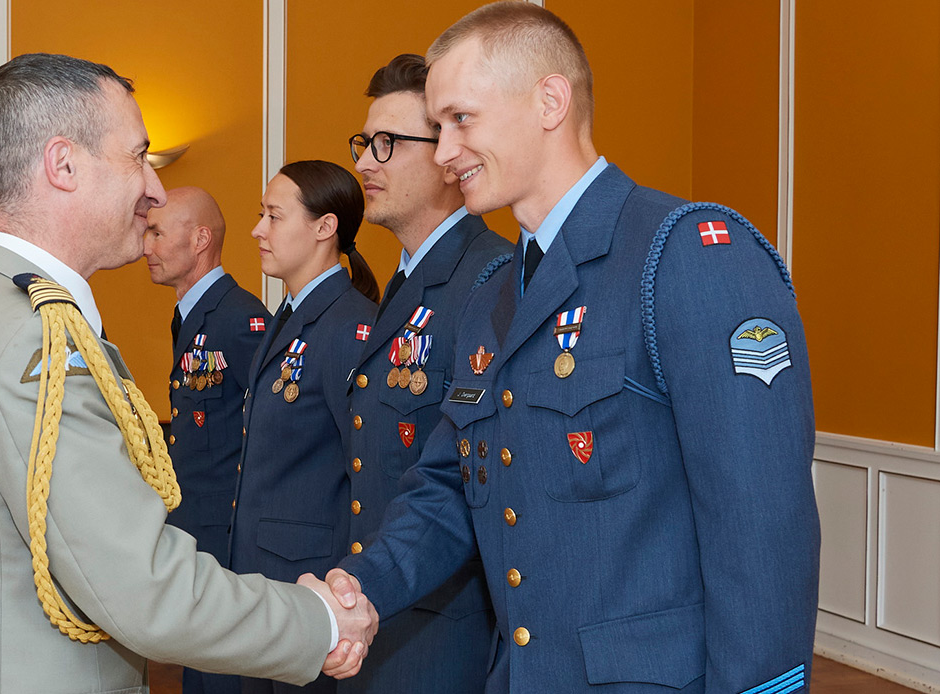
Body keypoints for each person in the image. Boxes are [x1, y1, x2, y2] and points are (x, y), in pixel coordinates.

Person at [328, 4, 820, 693]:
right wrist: (360, 588)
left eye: (460, 121)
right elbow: (447, 485)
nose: (443, 153)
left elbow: (762, 532)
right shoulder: (497, 290)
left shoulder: (684, 254)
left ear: (549, 101)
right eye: (437, 130)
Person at [0, 53, 375, 694]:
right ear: (63, 165)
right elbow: (142, 589)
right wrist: (319, 623)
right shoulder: (36, 341)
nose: (154, 189)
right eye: (138, 157)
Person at [340, 53, 510, 694]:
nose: (364, 163)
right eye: (363, 143)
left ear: (448, 155)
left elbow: (471, 477)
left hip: (443, 625)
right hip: (388, 601)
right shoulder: (410, 280)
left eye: (388, 144)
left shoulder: (489, 277)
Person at [228, 160, 379, 694]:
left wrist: (350, 589)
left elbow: (364, 470)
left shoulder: (349, 325)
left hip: (311, 586)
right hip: (265, 581)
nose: (258, 230)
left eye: (273, 215)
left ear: (324, 227)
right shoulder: (289, 318)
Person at [144, 186, 270, 694]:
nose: (146, 245)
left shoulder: (240, 318)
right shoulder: (194, 315)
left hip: (227, 541)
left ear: (200, 240)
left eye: (157, 232)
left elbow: (264, 431)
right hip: (198, 534)